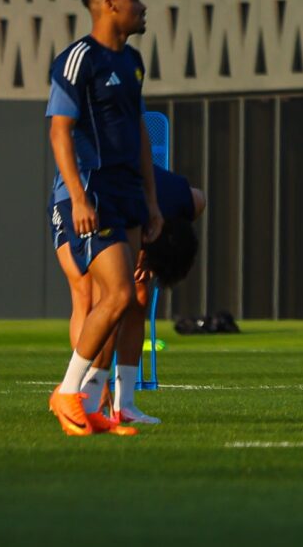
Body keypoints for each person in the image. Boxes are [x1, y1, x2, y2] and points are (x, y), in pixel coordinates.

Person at [45, 0, 163, 438]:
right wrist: (77, 197)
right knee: (111, 295)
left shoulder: (132, 62)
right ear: (110, 4)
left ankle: (97, 406)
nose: (143, 5)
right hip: (93, 191)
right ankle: (68, 393)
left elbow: (137, 131)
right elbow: (59, 130)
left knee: (131, 298)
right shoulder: (78, 59)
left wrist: (151, 202)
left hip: (128, 192)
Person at [59, 160, 204, 428]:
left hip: (122, 205)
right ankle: (80, 390)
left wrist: (146, 258)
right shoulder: (128, 200)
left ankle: (124, 405)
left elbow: (199, 198)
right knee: (90, 294)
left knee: (137, 297)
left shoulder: (185, 201)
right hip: (75, 198)